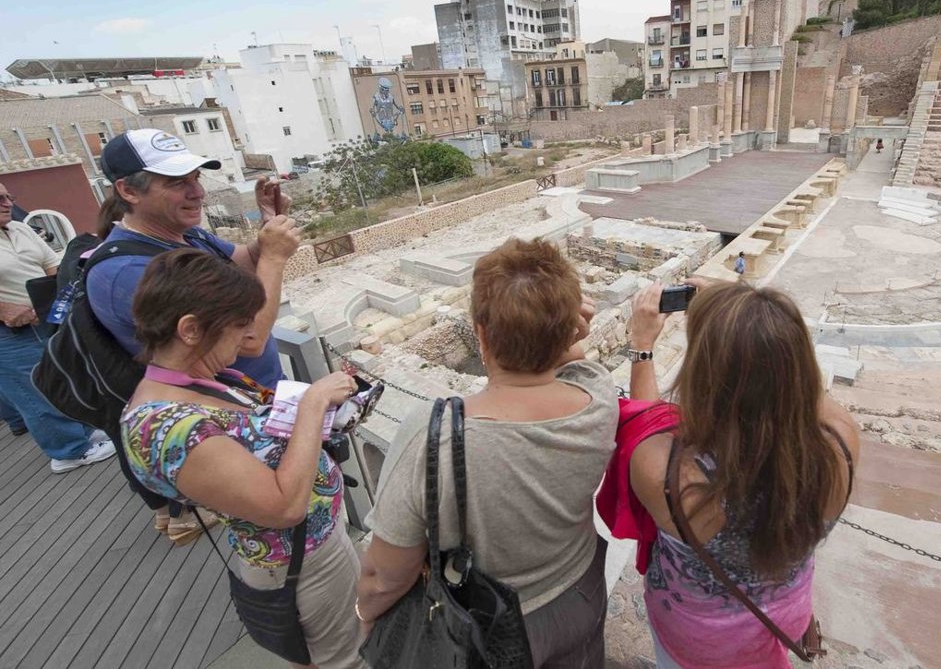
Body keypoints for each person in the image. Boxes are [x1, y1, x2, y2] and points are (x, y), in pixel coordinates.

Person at [358, 238, 618, 668]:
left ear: (481, 334)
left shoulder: (433, 434)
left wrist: (364, 615)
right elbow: (573, 361)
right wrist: (561, 331)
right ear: (568, 332)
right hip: (580, 593)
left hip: (487, 627)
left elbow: (384, 576)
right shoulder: (598, 394)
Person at [121, 249, 366, 669]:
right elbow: (283, 507)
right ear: (191, 329)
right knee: (344, 659)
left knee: (330, 650)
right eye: (239, 323)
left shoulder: (200, 380)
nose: (251, 333)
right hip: (299, 563)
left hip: (314, 546)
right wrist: (313, 404)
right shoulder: (167, 430)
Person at [627, 280, 859, 669]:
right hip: (781, 619)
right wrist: (756, 315)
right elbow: (802, 388)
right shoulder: (841, 445)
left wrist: (642, 345)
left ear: (703, 378)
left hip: (695, 639)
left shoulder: (669, 476)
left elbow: (643, 424)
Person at [88, 128, 302, 543]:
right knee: (276, 522)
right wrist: (275, 257)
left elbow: (243, 263)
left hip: (251, 400)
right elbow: (250, 339)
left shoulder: (182, 235)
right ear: (128, 191)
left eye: (195, 178)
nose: (196, 192)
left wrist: (267, 227)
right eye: (176, 182)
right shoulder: (127, 271)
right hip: (224, 425)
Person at [0, 182, 117, 471]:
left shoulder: (20, 228)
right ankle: (67, 452)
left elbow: (52, 265)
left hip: (42, 317)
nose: (8, 203)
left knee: (58, 375)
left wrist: (50, 301)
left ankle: (82, 431)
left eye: (8, 196)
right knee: (32, 391)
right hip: (8, 331)